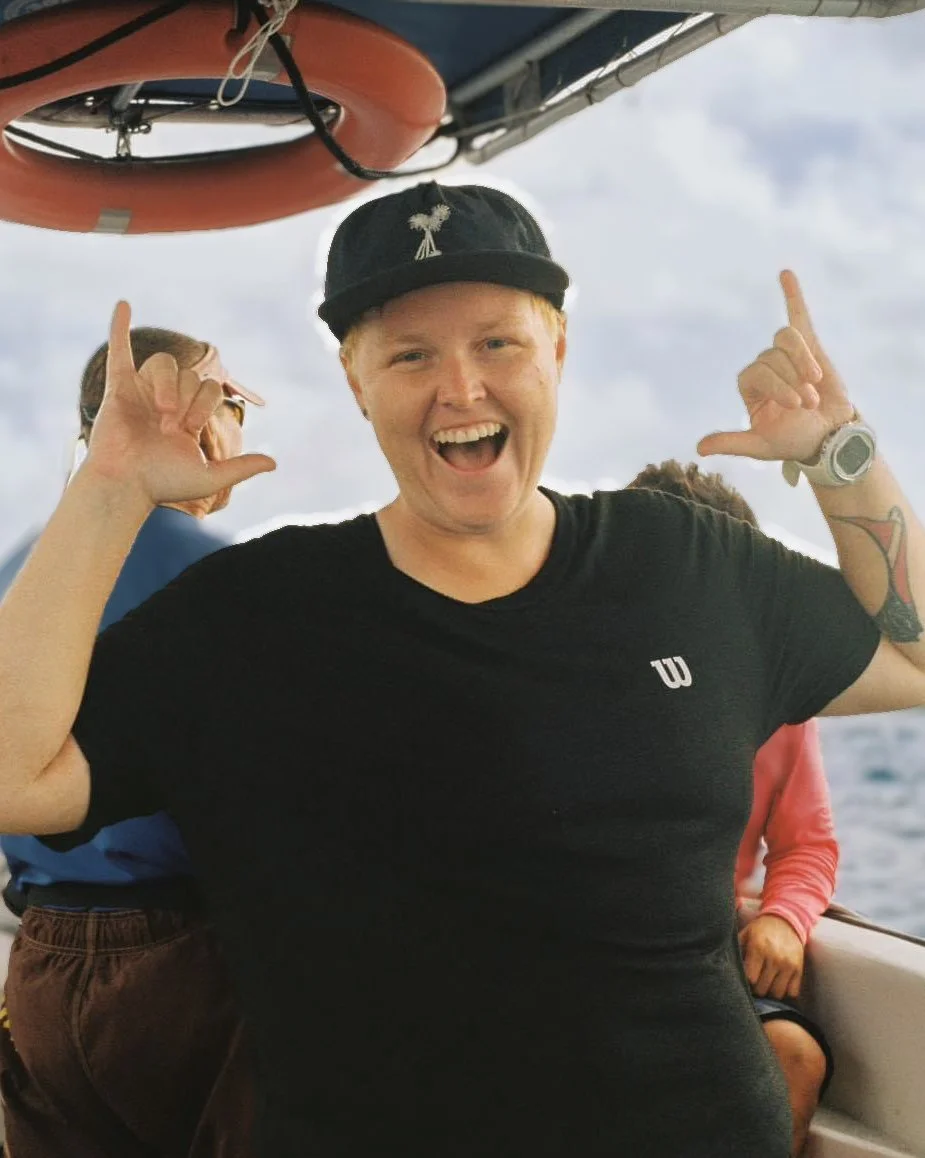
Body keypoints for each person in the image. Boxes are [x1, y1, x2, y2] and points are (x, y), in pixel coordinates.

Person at [0, 181, 923, 1157]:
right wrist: (111, 489)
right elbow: (16, 775)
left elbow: (914, 655)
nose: (462, 388)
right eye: (410, 354)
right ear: (356, 381)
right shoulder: (254, 614)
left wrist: (840, 451)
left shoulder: (688, 562)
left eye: (497, 342)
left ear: (558, 350)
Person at [0, 328, 264, 1158]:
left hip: (39, 965)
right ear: (194, 417)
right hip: (187, 965)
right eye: (231, 409)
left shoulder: (13, 574)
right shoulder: (231, 583)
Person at [626, 458, 837, 1155]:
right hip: (575, 952)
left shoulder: (776, 701)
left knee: (793, 1059)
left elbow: (807, 844)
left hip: (703, 953)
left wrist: (782, 918)